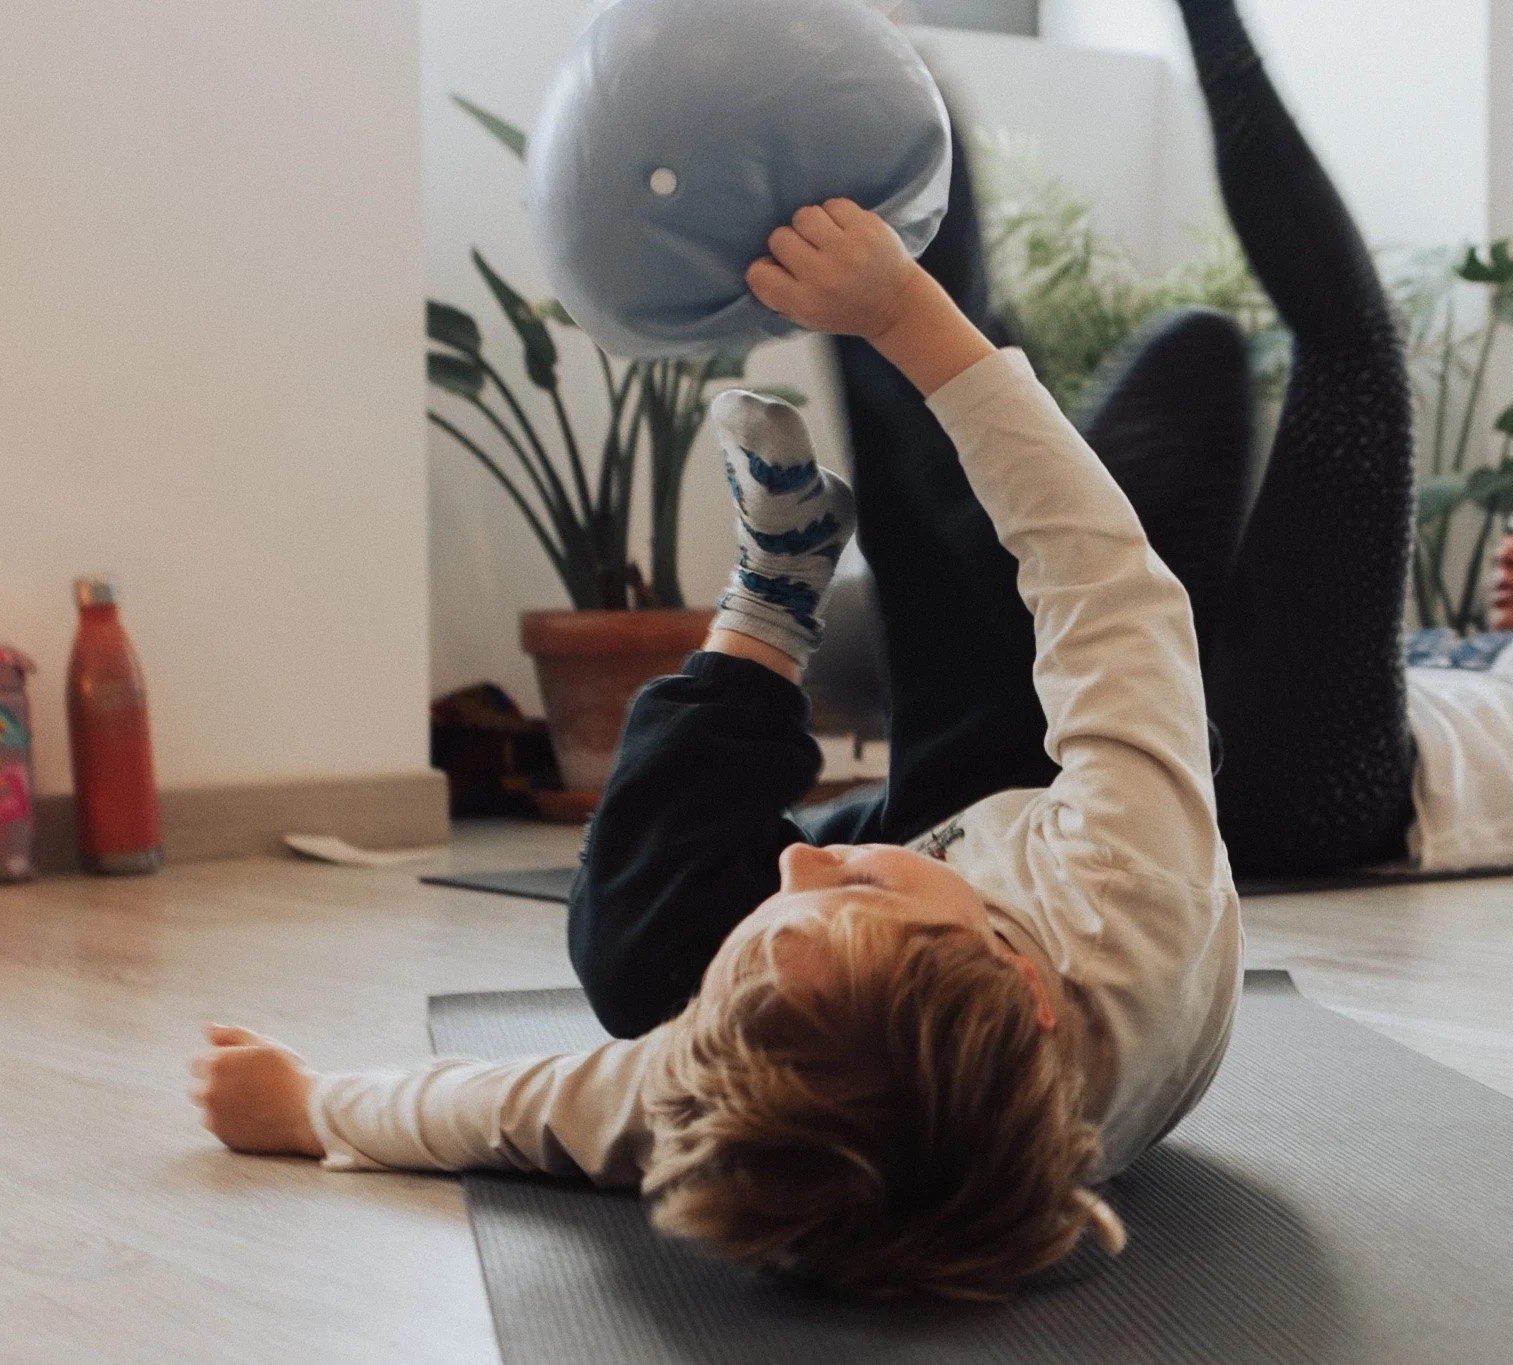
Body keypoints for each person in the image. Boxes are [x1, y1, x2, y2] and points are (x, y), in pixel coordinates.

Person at [189, 191, 1240, 1295]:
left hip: (945, 872)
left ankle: (779, 594)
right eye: (848, 895)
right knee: (983, 586)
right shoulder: (1126, 869)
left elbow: (523, 1105)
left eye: (778, 915)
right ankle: (927, 242)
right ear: (1020, 986)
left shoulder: (721, 1075)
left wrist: (311, 1108)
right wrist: (898, 312)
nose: (797, 862)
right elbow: (1104, 581)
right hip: (1033, 799)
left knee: (633, 953)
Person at [835, 0, 1513, 880]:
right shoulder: (1437, 651)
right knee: (1185, 365)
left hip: (1327, 795)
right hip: (1135, 747)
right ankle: (869, 178)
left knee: (1358, 357)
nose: (1510, 551)